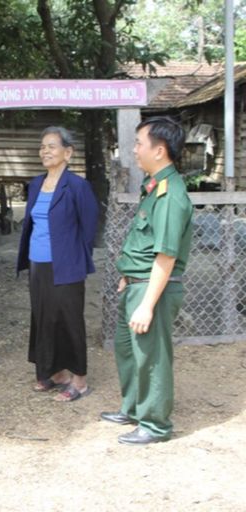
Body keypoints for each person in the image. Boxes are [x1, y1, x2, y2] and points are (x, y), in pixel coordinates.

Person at [101, 116, 192, 445]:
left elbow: (165, 257)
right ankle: (134, 408)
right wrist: (128, 277)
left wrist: (147, 306)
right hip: (137, 284)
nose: (134, 150)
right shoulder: (153, 187)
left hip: (153, 290)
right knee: (129, 352)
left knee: (151, 357)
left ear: (160, 150)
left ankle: (155, 425)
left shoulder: (170, 195)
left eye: (139, 143)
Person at [17, 126, 99, 402]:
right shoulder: (37, 184)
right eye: (42, 147)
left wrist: (72, 255)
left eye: (51, 146)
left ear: (68, 152)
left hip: (67, 264)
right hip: (38, 262)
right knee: (44, 318)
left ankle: (79, 380)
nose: (45, 151)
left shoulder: (77, 186)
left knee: (69, 320)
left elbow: (89, 229)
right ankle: (55, 372)